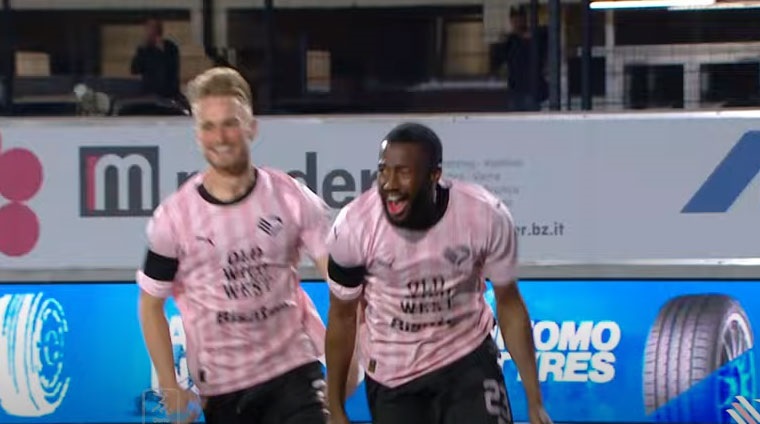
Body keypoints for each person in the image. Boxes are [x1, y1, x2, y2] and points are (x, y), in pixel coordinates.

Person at [136, 66, 359, 424]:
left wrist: (349, 365)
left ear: (251, 127)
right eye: (208, 126)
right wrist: (169, 386)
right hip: (223, 389)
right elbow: (150, 306)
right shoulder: (174, 218)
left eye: (230, 124)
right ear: (197, 134)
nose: (220, 137)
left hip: (294, 371)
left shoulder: (291, 197)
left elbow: (342, 285)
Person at [324, 122, 552, 424]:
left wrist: (535, 401)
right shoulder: (353, 226)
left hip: (467, 360)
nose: (389, 183)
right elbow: (342, 317)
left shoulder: (485, 215)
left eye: (403, 172)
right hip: (393, 376)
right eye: (383, 170)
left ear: (434, 175)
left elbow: (509, 304)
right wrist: (335, 408)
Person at [130, 18, 182, 101]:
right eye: (146, 29)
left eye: (150, 28)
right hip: (149, 94)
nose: (147, 32)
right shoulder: (144, 50)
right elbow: (134, 70)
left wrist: (159, 49)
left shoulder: (170, 47)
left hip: (169, 94)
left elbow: (171, 68)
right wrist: (141, 51)